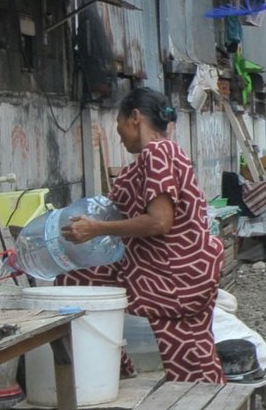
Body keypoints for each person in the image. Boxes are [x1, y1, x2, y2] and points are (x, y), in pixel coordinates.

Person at [59, 87, 225, 384]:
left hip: (171, 273)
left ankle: (107, 375)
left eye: (119, 124)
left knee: (73, 283)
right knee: (191, 348)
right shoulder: (167, 151)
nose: (119, 135)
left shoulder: (157, 152)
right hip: (186, 268)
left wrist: (95, 229)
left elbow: (159, 222)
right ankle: (120, 374)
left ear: (135, 117)